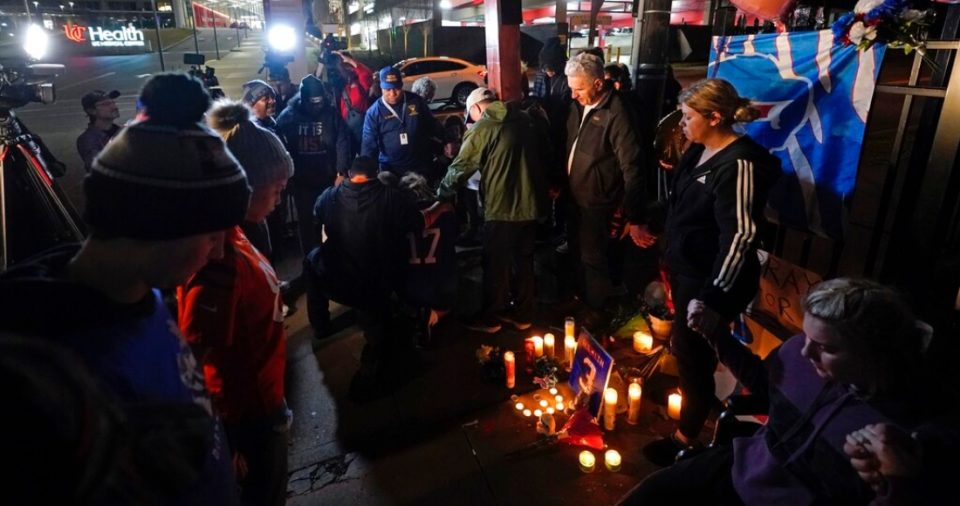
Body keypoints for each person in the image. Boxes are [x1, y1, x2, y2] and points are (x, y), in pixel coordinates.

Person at [0, 72, 245, 505]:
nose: (220, 252)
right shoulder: (44, 389)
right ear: (155, 227)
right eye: (210, 236)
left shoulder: (142, 295)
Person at [621, 278, 945, 505]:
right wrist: (715, 333)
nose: (805, 353)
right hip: (741, 466)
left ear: (870, 352)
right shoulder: (796, 356)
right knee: (652, 494)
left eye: (824, 347)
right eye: (805, 338)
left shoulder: (905, 430)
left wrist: (900, 484)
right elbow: (765, 384)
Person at [642, 78, 781, 466]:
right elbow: (682, 208)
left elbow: (740, 236)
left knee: (694, 356)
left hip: (707, 281)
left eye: (688, 116)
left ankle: (686, 438)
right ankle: (689, 423)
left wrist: (712, 298)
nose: (682, 124)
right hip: (684, 270)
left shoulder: (739, 164)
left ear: (715, 117)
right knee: (688, 353)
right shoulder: (699, 151)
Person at [179, 99, 294, 506]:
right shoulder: (217, 261)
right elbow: (191, 362)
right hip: (247, 420)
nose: (281, 199)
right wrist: (223, 443)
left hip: (263, 403)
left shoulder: (239, 234)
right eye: (277, 188)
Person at [306, 156, 438, 400]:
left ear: (349, 174)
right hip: (377, 283)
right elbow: (416, 223)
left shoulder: (329, 196)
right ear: (376, 173)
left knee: (312, 260)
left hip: (336, 278)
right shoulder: (391, 198)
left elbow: (316, 219)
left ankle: (320, 325)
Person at [439, 87, 549, 333]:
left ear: (477, 108)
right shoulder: (524, 118)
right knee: (524, 261)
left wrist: (441, 195)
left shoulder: (483, 128)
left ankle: (492, 318)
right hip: (531, 205)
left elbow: (461, 167)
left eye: (470, 116)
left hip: (501, 207)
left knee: (495, 263)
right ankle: (524, 315)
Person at [563, 52, 655, 318]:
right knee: (576, 251)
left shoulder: (618, 114)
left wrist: (635, 216)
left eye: (578, 89)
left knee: (594, 258)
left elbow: (632, 167)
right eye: (571, 88)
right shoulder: (578, 106)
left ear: (598, 84)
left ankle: (597, 309)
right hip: (574, 196)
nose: (573, 95)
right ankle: (580, 297)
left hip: (598, 201)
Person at [276, 75, 351, 257]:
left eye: (319, 103)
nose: (317, 107)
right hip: (302, 183)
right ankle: (310, 265)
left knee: (334, 224)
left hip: (329, 181)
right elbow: (280, 147)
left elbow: (343, 141)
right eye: (312, 104)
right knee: (307, 228)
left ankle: (333, 263)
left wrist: (341, 171)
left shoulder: (331, 113)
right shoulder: (288, 117)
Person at [361, 66, 441, 178]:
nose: (392, 94)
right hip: (392, 170)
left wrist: (447, 140)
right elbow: (368, 145)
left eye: (396, 88)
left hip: (420, 166)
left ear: (401, 85)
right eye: (387, 90)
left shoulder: (416, 101)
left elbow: (432, 125)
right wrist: (366, 172)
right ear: (381, 87)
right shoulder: (374, 113)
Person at [76, 89, 121, 172]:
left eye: (113, 102)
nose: (114, 107)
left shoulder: (123, 132)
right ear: (92, 111)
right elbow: (98, 167)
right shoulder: (88, 139)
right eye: (106, 104)